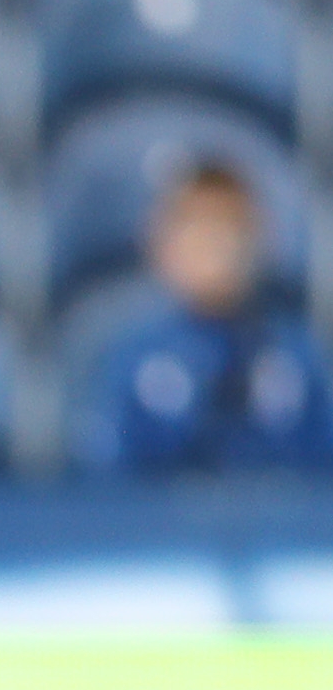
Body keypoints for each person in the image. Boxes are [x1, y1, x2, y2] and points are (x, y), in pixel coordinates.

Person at [72, 160, 333, 477]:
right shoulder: (131, 359)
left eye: (230, 228)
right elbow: (103, 483)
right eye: (196, 227)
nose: (214, 246)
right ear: (162, 244)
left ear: (262, 240)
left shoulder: (296, 357)